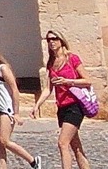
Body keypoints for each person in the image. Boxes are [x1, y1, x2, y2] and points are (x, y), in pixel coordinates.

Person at [31, 31, 92, 169]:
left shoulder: (72, 59)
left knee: (62, 143)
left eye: (54, 38)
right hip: (62, 107)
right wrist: (37, 105)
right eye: (48, 40)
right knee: (76, 146)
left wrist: (68, 81)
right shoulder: (51, 63)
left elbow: (88, 80)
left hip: (75, 106)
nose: (51, 42)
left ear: (61, 40)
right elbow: (48, 88)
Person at [0, 44, 44, 169]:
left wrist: (16, 113)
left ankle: (32, 160)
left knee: (4, 140)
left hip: (6, 108)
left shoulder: (3, 69)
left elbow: (14, 90)